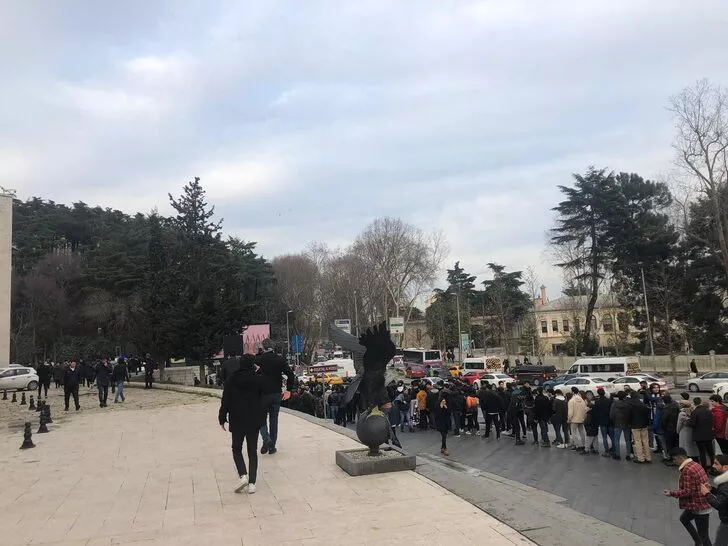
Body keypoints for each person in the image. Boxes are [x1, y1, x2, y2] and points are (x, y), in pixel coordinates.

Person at [219, 354, 266, 495]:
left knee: (236, 449)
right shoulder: (258, 379)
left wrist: (222, 418)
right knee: (252, 451)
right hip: (253, 420)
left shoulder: (231, 380)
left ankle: (243, 475)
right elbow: (264, 398)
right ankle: (252, 483)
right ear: (252, 364)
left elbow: (225, 401)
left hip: (237, 419)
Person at [664, 447, 713, 546]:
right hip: (699, 502)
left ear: (679, 457)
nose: (674, 462)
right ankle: (698, 541)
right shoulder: (695, 464)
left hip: (699, 506)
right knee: (684, 519)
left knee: (704, 536)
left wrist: (671, 493)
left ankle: (698, 541)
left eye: (674, 459)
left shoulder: (688, 470)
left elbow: (687, 491)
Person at [256, 341, 295, 455]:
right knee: (274, 420)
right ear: (273, 347)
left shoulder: (259, 360)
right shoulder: (280, 360)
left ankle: (266, 439)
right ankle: (272, 446)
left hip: (262, 394)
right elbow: (290, 375)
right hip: (276, 394)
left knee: (261, 419)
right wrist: (288, 390)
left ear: (263, 347)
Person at [701, 454, 728, 546]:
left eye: (716, 464)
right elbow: (725, 497)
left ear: (725, 467)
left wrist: (707, 494)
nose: (713, 466)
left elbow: (719, 504)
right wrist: (712, 490)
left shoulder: (725, 484)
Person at [691, 398, 716, 472]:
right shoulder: (708, 411)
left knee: (702, 453)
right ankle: (713, 468)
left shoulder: (695, 412)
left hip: (699, 436)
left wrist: (687, 421)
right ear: (701, 402)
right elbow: (712, 421)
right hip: (708, 435)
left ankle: (704, 469)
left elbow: (693, 424)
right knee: (711, 453)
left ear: (694, 403)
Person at [629, 390, 652, 463]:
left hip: (635, 425)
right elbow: (647, 415)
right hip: (644, 425)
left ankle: (640, 458)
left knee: (638, 441)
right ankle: (648, 457)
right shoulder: (643, 405)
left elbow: (628, 416)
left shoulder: (631, 405)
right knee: (645, 441)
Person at [610, 390, 633, 461]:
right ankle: (628, 455)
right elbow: (631, 414)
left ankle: (617, 454)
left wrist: (614, 421)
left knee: (616, 439)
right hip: (626, 423)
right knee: (627, 440)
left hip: (617, 423)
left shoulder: (614, 404)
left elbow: (611, 415)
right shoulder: (628, 404)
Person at [592, 388, 613, 456]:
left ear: (598, 394)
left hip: (602, 421)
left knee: (604, 437)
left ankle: (606, 451)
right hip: (609, 420)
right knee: (612, 436)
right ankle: (614, 449)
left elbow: (596, 412)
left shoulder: (597, 401)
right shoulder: (609, 401)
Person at [567, 387, 587, 452]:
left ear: (572, 392)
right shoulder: (582, 400)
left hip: (574, 419)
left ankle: (577, 445)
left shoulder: (571, 401)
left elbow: (570, 412)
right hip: (581, 419)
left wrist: (569, 419)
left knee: (574, 433)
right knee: (582, 432)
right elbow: (585, 410)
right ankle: (583, 445)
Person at [436, 388, 451, 456]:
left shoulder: (448, 403)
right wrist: (441, 406)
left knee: (445, 435)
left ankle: (442, 447)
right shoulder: (438, 403)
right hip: (440, 421)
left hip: (446, 421)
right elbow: (437, 413)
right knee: (444, 435)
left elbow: (449, 412)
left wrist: (445, 406)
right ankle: (445, 448)